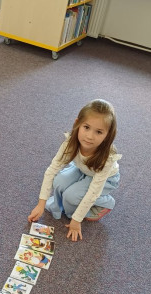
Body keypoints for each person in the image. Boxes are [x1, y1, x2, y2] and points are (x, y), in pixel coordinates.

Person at [28, 99, 121, 241]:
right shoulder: (70, 143)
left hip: (106, 179)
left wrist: (76, 220)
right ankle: (68, 204)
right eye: (86, 127)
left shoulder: (106, 158)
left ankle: (106, 202)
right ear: (77, 123)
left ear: (108, 135)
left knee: (71, 196)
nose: (89, 136)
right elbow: (52, 171)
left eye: (99, 132)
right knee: (59, 182)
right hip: (83, 170)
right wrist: (41, 204)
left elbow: (94, 191)